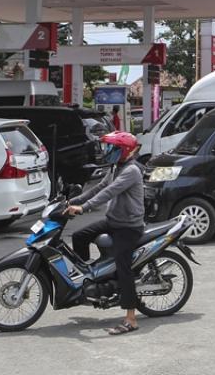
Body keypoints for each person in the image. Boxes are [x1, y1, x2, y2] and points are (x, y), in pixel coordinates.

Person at [66, 131, 145, 335]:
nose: (108, 151)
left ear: (124, 151)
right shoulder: (115, 167)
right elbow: (99, 187)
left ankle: (131, 319)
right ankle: (89, 281)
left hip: (128, 227)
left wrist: (84, 208)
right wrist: (72, 202)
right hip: (113, 221)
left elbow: (108, 192)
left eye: (113, 148)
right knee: (79, 236)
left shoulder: (131, 171)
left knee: (123, 266)